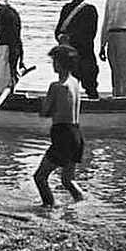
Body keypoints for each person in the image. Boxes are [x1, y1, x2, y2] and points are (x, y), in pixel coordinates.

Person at [33, 45, 86, 208]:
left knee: (40, 177)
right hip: (76, 134)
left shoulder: (56, 86)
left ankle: (49, 206)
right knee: (68, 180)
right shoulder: (75, 83)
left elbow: (44, 112)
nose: (53, 65)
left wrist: (40, 103)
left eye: (54, 61)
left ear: (60, 63)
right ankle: (82, 203)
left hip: (63, 135)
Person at [55, 0, 101, 99]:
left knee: (90, 86)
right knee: (67, 88)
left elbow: (88, 34)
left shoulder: (89, 10)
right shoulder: (66, 8)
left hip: (84, 57)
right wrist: (60, 38)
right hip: (67, 58)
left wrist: (69, 40)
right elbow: (58, 30)